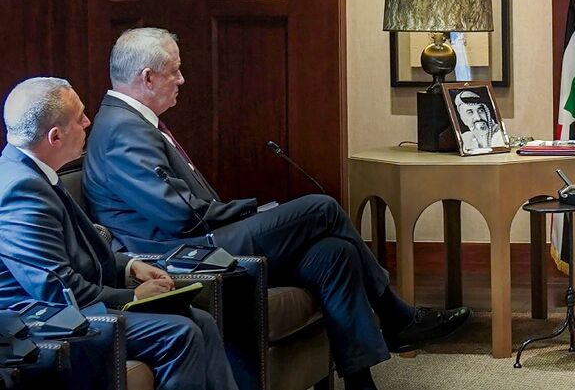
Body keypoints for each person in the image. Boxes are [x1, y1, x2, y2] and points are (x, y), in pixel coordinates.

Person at [82, 28, 471, 390]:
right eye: (175, 71)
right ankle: (397, 316)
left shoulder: (132, 124)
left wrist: (247, 213)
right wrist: (249, 210)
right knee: (321, 207)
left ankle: (360, 382)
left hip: (199, 237)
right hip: (184, 253)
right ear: (147, 78)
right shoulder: (122, 129)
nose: (182, 79)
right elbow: (180, 215)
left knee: (333, 253)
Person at [0, 77, 238, 390]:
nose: (88, 122)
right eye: (80, 117)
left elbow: (75, 252)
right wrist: (133, 296)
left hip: (68, 308)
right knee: (180, 333)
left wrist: (127, 266)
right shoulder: (22, 190)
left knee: (202, 321)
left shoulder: (34, 171)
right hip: (45, 322)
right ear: (55, 136)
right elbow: (57, 289)